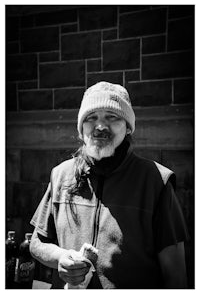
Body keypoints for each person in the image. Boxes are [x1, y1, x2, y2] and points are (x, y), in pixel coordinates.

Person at [30, 81, 189, 289]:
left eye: (111, 117)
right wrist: (60, 257)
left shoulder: (156, 182)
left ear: (128, 127)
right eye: (91, 117)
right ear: (81, 129)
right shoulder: (60, 175)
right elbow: (37, 242)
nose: (100, 126)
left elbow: (176, 278)